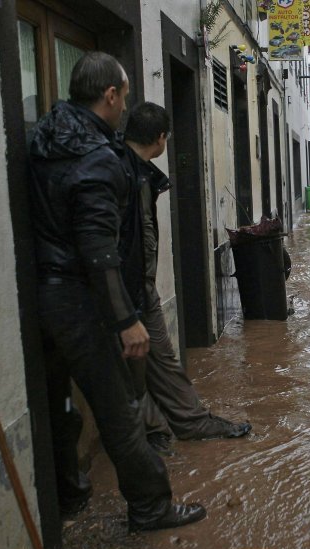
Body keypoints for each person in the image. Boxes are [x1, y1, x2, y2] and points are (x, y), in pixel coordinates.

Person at [28, 51, 205, 531]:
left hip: (40, 295)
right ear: (110, 95)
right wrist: (126, 319)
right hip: (80, 299)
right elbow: (97, 246)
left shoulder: (44, 137)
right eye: (124, 95)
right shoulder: (97, 158)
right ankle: (151, 507)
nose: (126, 105)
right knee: (121, 409)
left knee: (60, 404)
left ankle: (70, 493)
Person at [119, 102, 252, 453]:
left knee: (161, 359)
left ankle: (191, 423)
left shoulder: (138, 172)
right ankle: (152, 435)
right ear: (161, 139)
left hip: (140, 289)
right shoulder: (120, 173)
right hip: (121, 294)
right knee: (127, 373)